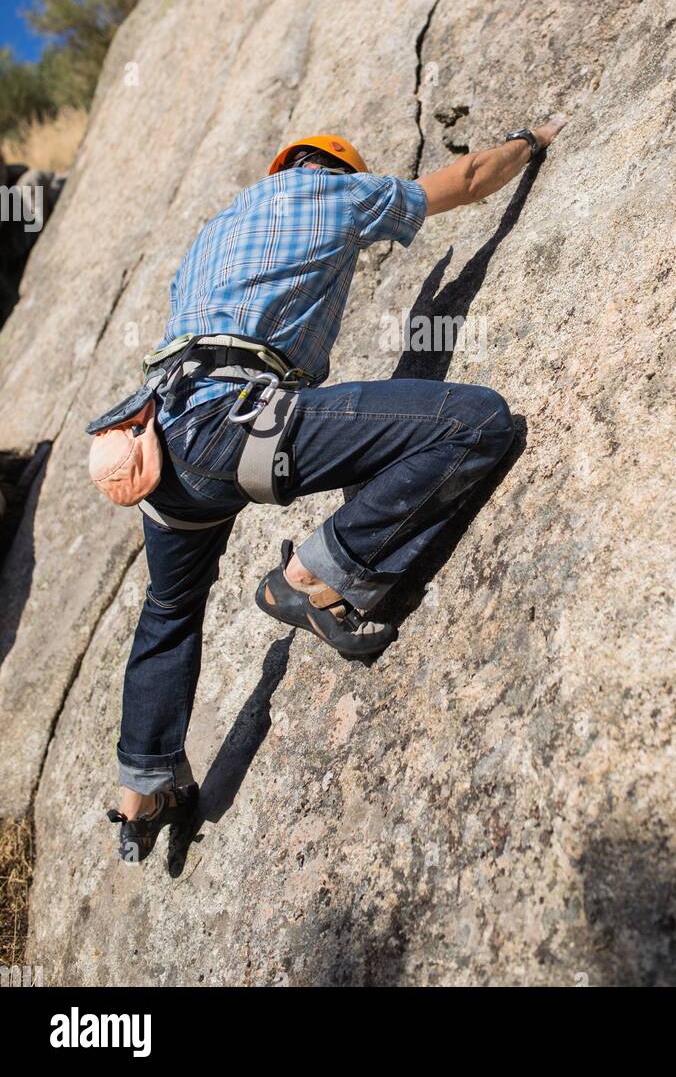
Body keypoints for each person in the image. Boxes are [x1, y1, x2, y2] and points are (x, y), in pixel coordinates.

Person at [109, 117, 568, 861]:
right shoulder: (331, 194)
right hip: (237, 426)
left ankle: (142, 788)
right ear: (333, 170)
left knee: (168, 611)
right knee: (477, 423)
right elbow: (471, 179)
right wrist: (529, 140)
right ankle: (313, 577)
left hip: (159, 446)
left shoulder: (214, 231)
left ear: (278, 166)